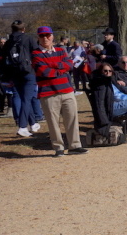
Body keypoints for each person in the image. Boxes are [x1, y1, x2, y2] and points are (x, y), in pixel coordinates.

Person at [30, 26, 88, 157]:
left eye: (48, 35)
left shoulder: (61, 51)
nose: (45, 38)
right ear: (38, 38)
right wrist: (60, 67)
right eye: (42, 36)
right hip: (48, 93)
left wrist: (53, 65)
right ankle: (58, 147)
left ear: (52, 36)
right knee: (53, 122)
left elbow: (69, 65)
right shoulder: (35, 53)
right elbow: (43, 71)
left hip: (66, 90)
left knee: (72, 119)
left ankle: (75, 145)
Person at [0, 20, 41, 137]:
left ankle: (33, 123)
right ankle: (22, 127)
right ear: (23, 29)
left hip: (14, 74)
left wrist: (6, 77)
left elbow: (2, 60)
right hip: (28, 72)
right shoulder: (29, 39)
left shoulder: (8, 42)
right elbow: (37, 54)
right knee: (27, 99)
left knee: (23, 98)